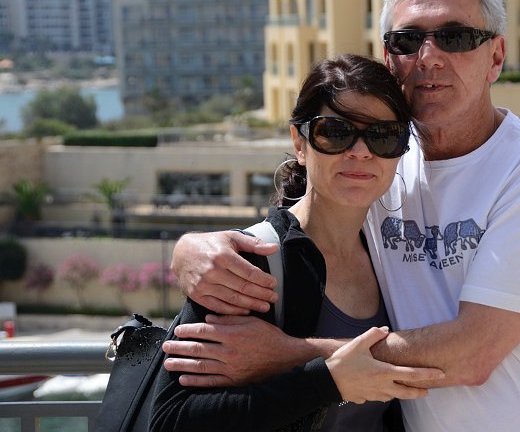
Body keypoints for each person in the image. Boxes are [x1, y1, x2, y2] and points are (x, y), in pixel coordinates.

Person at [166, 0, 520, 431]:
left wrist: (290, 355)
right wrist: (192, 248)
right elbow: (307, 219)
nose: (429, 56)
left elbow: (471, 355)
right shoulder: (381, 158)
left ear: (496, 57)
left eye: (456, 37)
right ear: (389, 58)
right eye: (408, 40)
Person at [150, 54, 443, 431]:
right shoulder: (251, 263)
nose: (360, 151)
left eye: (383, 136)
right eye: (335, 132)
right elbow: (171, 421)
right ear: (300, 144)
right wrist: (326, 381)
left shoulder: (394, 252)